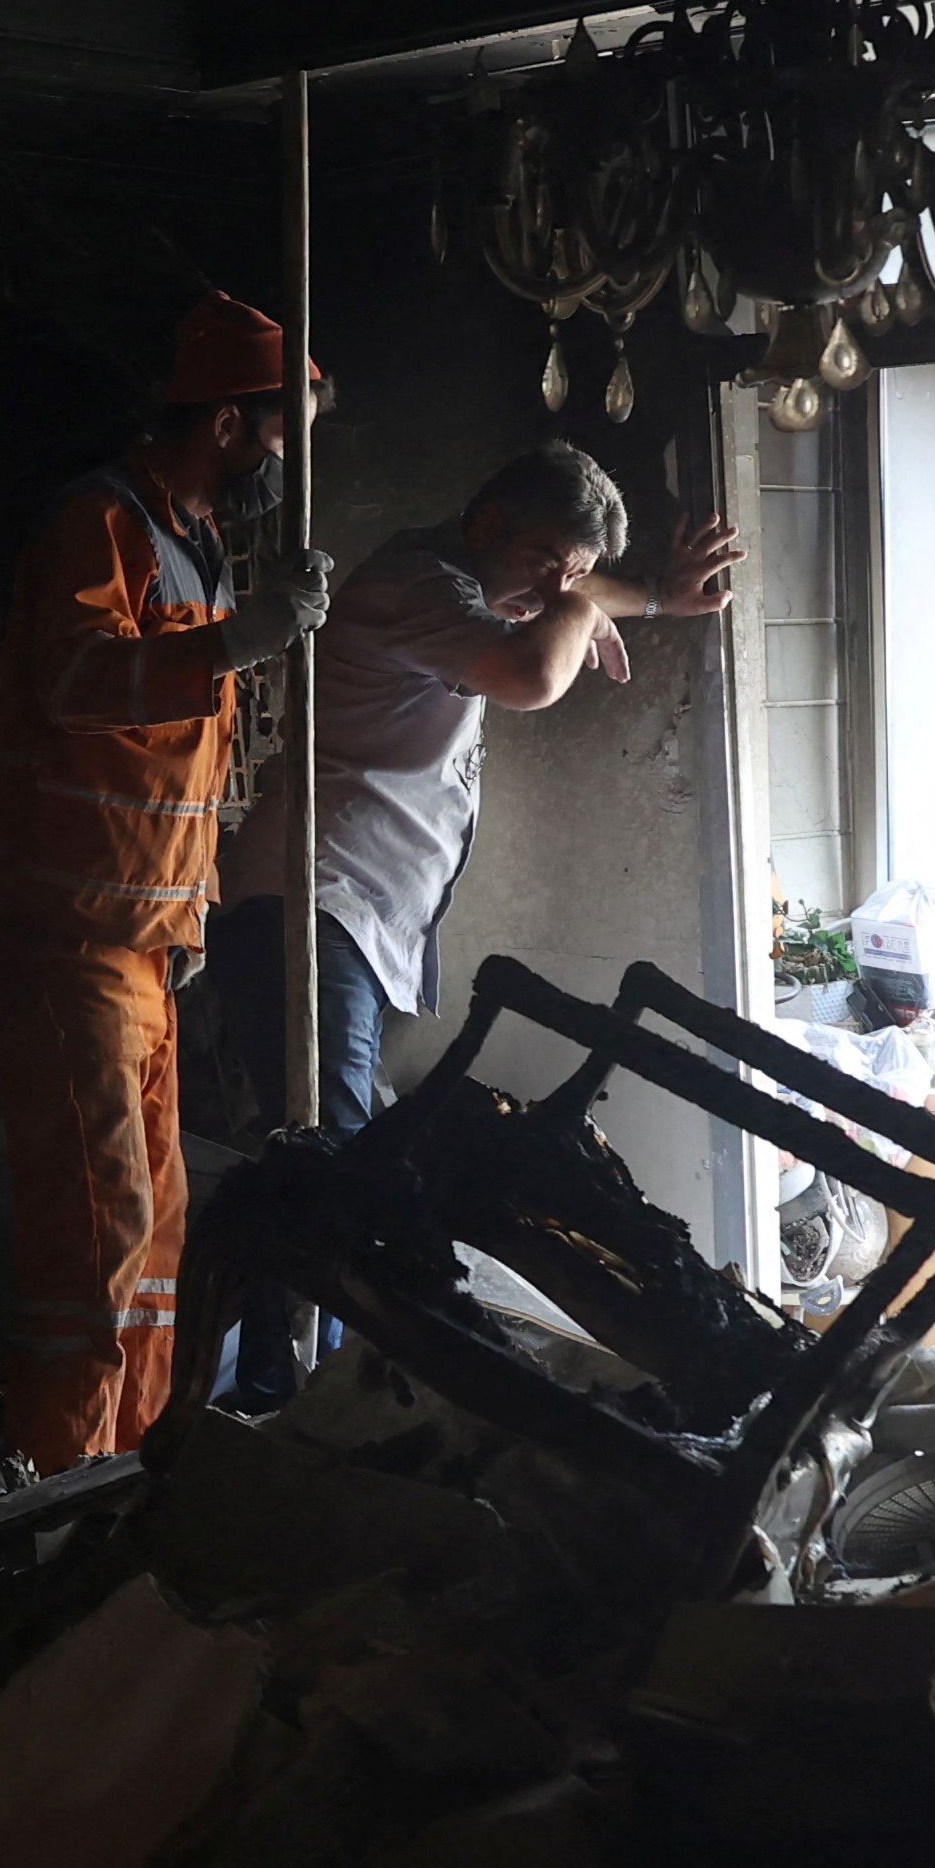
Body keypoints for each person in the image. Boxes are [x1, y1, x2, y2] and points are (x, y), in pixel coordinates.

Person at [205, 439, 741, 1396]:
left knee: (325, 1170)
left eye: (573, 571)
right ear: (487, 522)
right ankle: (293, 1411)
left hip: (343, 919)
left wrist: (645, 595)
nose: (557, 586)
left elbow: (562, 603)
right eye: (547, 560)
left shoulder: (479, 588)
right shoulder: (420, 584)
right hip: (308, 907)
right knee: (330, 1183)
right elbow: (537, 674)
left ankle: (293, 1399)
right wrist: (582, 605)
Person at [0, 293, 331, 1473]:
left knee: (157, 1240)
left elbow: (184, 763)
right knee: (97, 1250)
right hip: (67, 937)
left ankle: (132, 1487)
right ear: (227, 421)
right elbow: (77, 685)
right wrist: (235, 641)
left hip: (148, 945)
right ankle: (56, 1505)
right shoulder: (97, 526)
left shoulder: (201, 546)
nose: (290, 465)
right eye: (286, 435)